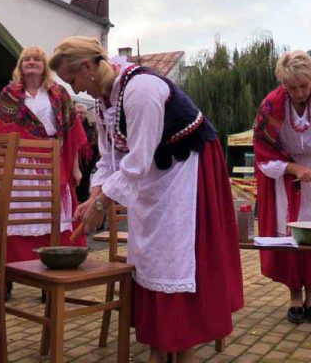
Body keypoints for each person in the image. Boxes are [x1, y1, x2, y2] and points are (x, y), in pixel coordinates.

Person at [51, 37, 243, 363]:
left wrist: (101, 204)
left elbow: (136, 161)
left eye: (73, 80)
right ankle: (160, 347)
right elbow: (110, 160)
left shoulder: (141, 91)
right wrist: (96, 194)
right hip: (155, 173)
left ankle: (183, 352)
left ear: (88, 67)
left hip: (189, 168)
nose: (74, 89)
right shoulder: (103, 102)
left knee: (176, 252)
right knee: (149, 252)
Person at [254, 50, 311, 326]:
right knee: (292, 237)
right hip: (286, 177)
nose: (299, 93)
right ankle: (295, 295)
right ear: (283, 84)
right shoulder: (270, 106)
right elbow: (262, 153)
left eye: (304, 85)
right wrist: (294, 169)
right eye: (291, 87)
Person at [0, 46, 88, 297]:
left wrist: (75, 166)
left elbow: (71, 132)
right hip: (21, 166)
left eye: (36, 59)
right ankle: (9, 274)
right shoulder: (9, 95)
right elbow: (1, 131)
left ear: (44, 65)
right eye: (26, 59)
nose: (31, 62)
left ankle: (49, 277)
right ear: (20, 66)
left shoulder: (58, 94)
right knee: (18, 218)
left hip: (51, 164)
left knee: (52, 219)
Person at [74, 103, 97, 204]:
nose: (79, 115)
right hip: (72, 165)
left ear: (86, 114)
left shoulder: (92, 129)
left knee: (83, 193)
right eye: (77, 112)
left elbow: (96, 148)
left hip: (86, 166)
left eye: (82, 113)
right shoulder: (70, 126)